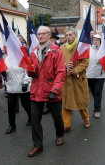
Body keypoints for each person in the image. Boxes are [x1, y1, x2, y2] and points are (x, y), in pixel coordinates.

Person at [27, 26, 66, 157]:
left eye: (43, 34)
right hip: (36, 89)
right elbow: (31, 74)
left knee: (57, 116)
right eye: (39, 34)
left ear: (49, 35)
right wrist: (29, 70)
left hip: (51, 90)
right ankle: (37, 145)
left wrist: (55, 89)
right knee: (35, 118)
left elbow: (61, 72)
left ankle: (60, 134)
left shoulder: (56, 51)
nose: (40, 36)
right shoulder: (33, 51)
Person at [60, 27, 90, 132]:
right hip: (66, 79)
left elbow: (85, 63)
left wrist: (73, 71)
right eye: (66, 35)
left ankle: (86, 119)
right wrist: (65, 65)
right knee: (66, 102)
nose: (68, 37)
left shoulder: (81, 47)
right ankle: (66, 124)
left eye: (70, 35)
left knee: (80, 100)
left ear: (75, 35)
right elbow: (58, 61)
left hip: (78, 79)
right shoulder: (62, 48)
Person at [3, 54, 32, 134]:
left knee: (25, 104)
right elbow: (6, 69)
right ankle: (12, 125)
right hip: (11, 86)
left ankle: (31, 117)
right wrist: (3, 74)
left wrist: (26, 82)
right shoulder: (7, 58)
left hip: (22, 85)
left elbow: (28, 70)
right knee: (10, 104)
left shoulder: (21, 56)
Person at [86, 35, 105, 118]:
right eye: (94, 40)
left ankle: (97, 110)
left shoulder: (103, 50)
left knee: (98, 91)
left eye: (97, 40)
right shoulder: (88, 50)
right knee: (93, 91)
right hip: (90, 73)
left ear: (100, 41)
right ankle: (96, 103)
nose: (96, 41)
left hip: (100, 74)